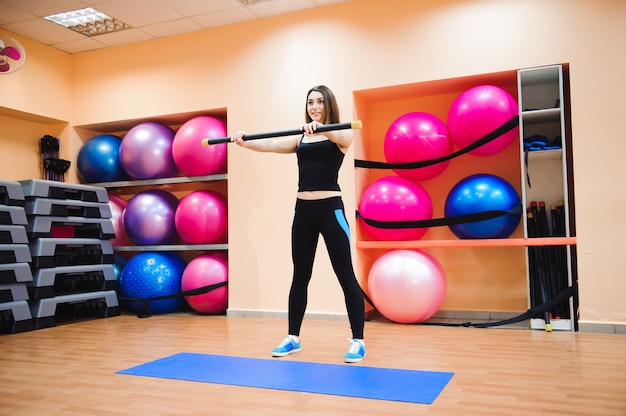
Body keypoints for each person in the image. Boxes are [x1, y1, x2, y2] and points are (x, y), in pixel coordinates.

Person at [231, 85, 366, 363]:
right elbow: (270, 145)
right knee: (300, 275)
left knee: (345, 274)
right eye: (310, 103)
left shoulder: (341, 133)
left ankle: (357, 340)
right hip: (303, 211)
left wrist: (320, 127)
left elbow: (341, 135)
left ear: (328, 104)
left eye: (319, 102)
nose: (314, 106)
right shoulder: (301, 138)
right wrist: (244, 142)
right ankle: (293, 337)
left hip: (331, 210)